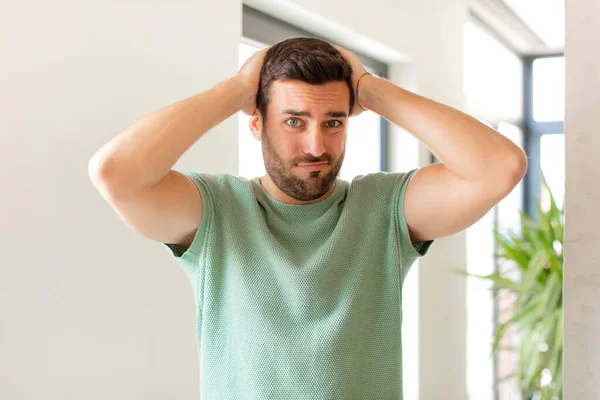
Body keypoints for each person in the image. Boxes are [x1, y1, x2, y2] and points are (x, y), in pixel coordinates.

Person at [89, 37, 527, 399]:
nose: (316, 145)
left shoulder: (383, 208)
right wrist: (238, 88)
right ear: (256, 123)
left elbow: (499, 168)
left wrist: (370, 89)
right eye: (294, 121)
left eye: (333, 122)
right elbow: (115, 173)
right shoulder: (217, 210)